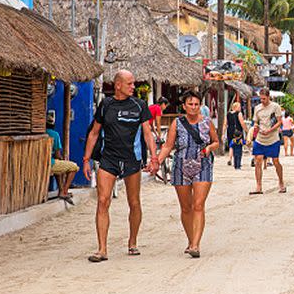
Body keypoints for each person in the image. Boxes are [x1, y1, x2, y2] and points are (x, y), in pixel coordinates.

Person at [82, 70, 157, 263]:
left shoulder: (139, 105)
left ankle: (132, 242)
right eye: (130, 83)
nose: (133, 87)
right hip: (108, 159)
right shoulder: (106, 105)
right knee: (103, 201)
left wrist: (154, 158)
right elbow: (94, 132)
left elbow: (147, 133)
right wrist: (86, 159)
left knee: (134, 202)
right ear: (118, 85)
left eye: (133, 83)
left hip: (132, 159)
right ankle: (102, 249)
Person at [157, 91, 219, 258]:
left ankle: (196, 245)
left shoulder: (207, 122)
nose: (193, 107)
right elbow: (168, 146)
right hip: (180, 166)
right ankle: (191, 240)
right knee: (186, 207)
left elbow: (216, 141)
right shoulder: (177, 123)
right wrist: (157, 161)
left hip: (203, 164)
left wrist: (209, 148)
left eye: (196, 104)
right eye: (190, 104)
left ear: (200, 106)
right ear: (184, 106)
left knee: (198, 205)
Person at [250, 88, 285, 195]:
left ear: (268, 97)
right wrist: (256, 126)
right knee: (258, 161)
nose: (262, 101)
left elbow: (279, 122)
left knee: (275, 161)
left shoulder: (275, 107)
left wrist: (270, 130)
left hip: (273, 138)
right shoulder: (257, 108)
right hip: (260, 138)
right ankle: (258, 186)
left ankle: (281, 182)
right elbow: (255, 121)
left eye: (264, 99)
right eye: (260, 99)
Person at [46, 114, 79, 205]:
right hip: (50, 163)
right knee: (74, 167)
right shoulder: (54, 134)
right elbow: (57, 155)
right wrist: (61, 158)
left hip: (42, 163)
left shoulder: (42, 133)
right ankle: (64, 191)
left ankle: (61, 190)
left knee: (59, 167)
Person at [224, 102, 247, 169]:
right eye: (239, 107)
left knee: (231, 145)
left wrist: (223, 133)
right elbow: (242, 122)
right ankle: (238, 161)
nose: (240, 108)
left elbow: (225, 124)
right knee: (239, 145)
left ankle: (230, 159)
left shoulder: (228, 114)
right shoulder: (239, 114)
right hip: (237, 131)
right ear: (235, 107)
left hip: (230, 130)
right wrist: (246, 130)